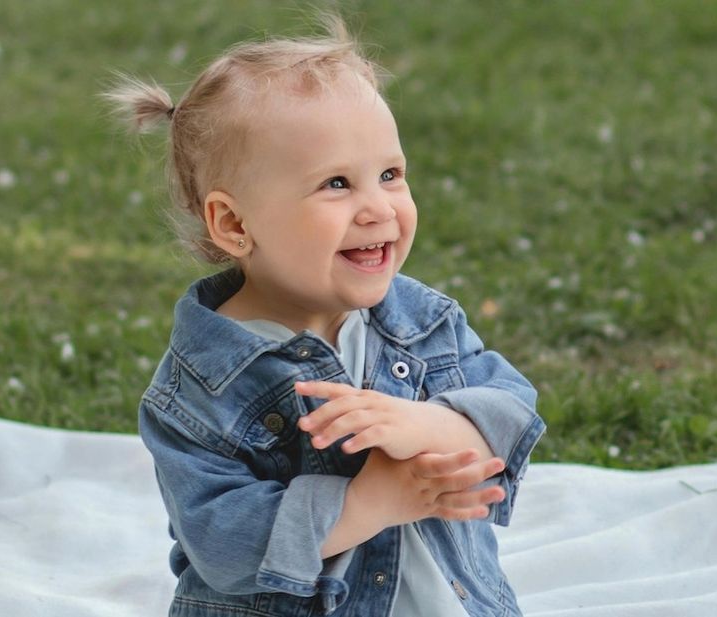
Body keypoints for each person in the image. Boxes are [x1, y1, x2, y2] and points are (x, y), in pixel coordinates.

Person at [107, 17, 545, 617]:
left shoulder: (422, 321)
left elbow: (511, 410)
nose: (378, 207)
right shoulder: (199, 392)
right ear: (234, 225)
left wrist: (428, 425)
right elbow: (222, 543)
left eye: (390, 174)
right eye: (337, 183)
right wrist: (368, 502)